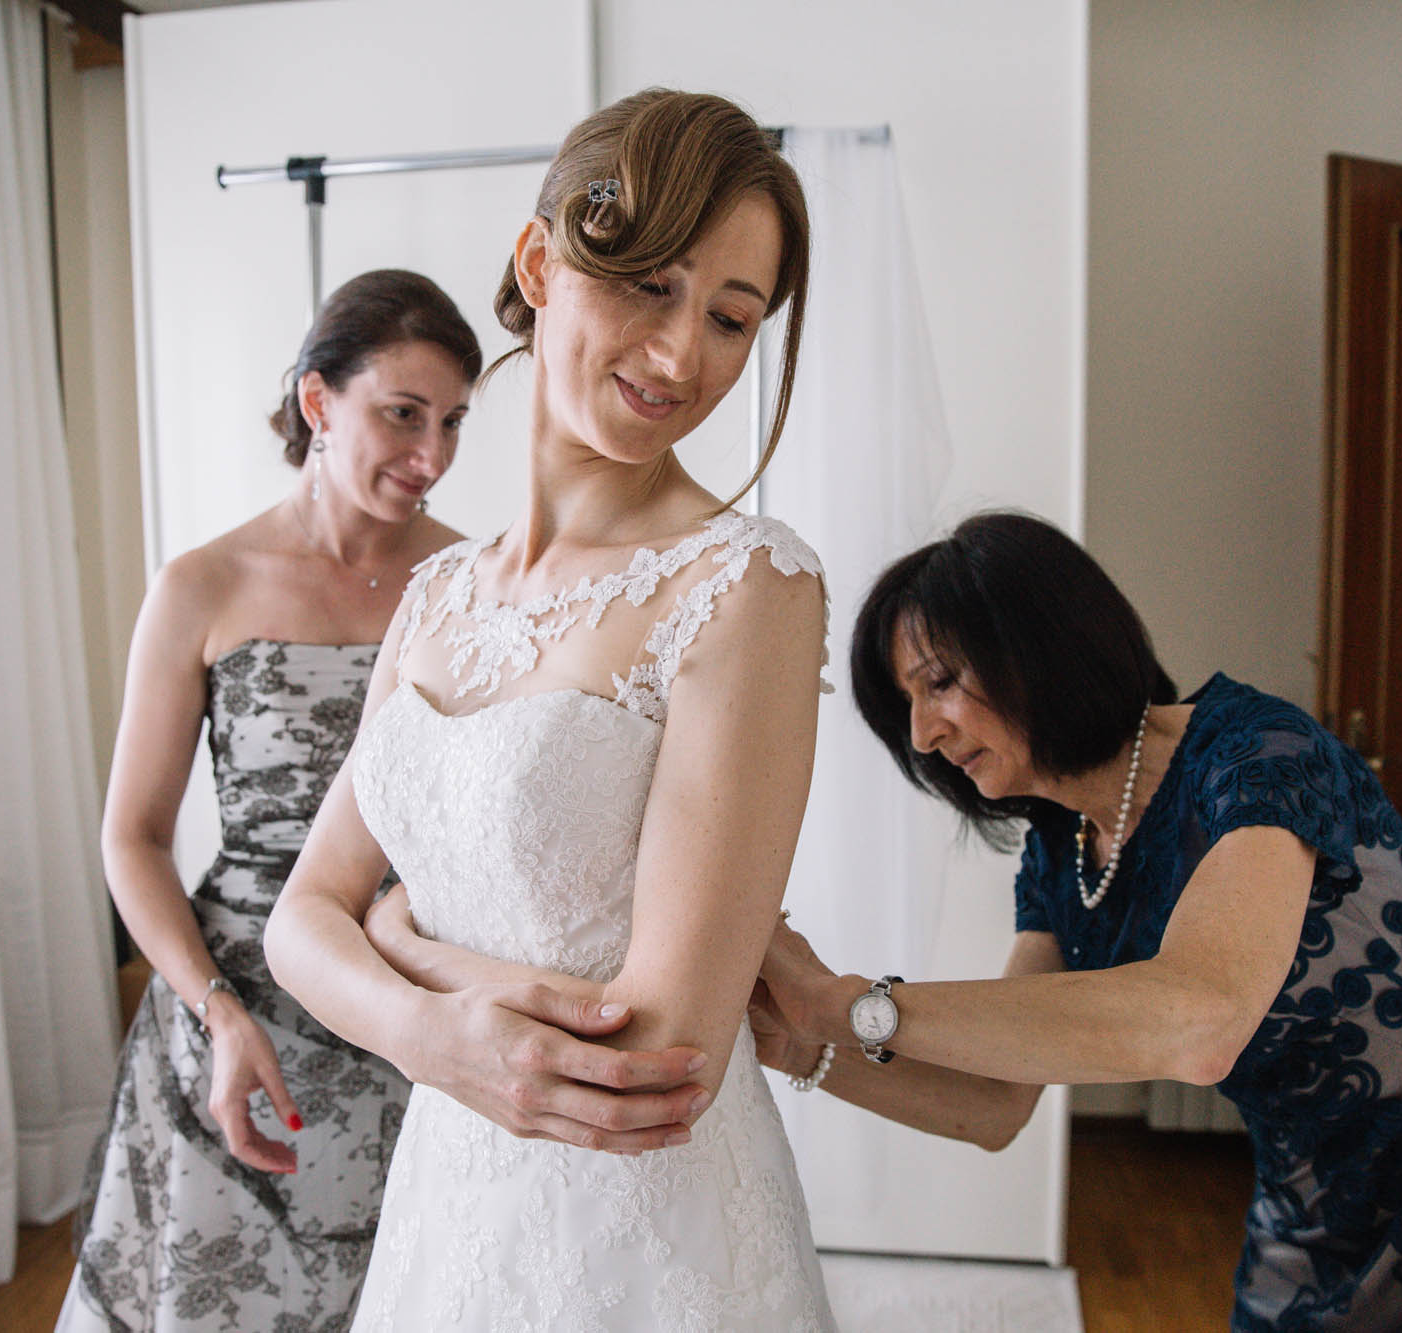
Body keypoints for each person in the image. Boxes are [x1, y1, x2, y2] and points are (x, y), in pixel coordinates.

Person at [746, 510, 1402, 1331]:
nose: (924, 733)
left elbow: (1202, 1018)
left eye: (938, 682)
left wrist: (841, 999)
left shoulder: (1254, 752)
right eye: (904, 709)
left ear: (1042, 642)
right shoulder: (1060, 854)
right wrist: (806, 1046)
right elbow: (992, 1103)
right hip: (1308, 1231)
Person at [265, 89, 837, 1329]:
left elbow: (658, 1055)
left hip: (651, 1232)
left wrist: (410, 955)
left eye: (732, 318)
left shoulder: (746, 586)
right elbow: (300, 916)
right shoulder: (432, 595)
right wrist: (433, 1037)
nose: (684, 357)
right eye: (650, 286)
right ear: (541, 262)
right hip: (455, 1195)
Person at [54, 269, 482, 1330]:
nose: (429, 457)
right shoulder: (201, 586)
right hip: (241, 998)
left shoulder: (470, 583)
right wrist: (214, 1008)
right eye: (400, 414)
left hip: (405, 999)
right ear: (317, 402)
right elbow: (133, 836)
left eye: (451, 422)